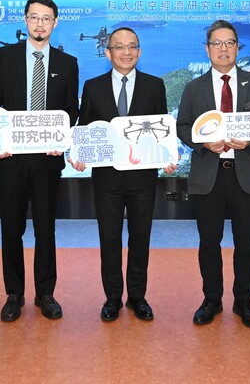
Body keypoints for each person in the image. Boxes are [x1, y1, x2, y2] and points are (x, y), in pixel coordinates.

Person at [176, 19, 250, 329]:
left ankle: (244, 301)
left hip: (244, 174)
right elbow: (183, 126)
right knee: (209, 243)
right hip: (208, 175)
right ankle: (211, 299)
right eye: (217, 43)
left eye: (229, 43)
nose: (223, 49)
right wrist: (202, 142)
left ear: (238, 47)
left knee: (246, 243)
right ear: (207, 49)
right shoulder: (193, 87)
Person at [70, 27, 175, 322]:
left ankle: (138, 298)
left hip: (143, 179)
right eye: (119, 47)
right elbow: (86, 129)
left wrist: (167, 156)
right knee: (110, 240)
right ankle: (113, 298)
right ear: (108, 52)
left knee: (141, 239)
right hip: (107, 180)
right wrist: (79, 155)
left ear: (139, 52)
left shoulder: (155, 86)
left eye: (132, 46)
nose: (126, 52)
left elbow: (162, 128)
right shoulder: (93, 86)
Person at [0, 0, 79, 322]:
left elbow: (71, 110)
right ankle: (14, 293)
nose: (40, 24)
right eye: (34, 17)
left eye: (46, 18)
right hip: (11, 159)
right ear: (25, 20)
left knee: (45, 228)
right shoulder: (4, 57)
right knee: (10, 228)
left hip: (47, 160)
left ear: (55, 23)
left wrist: (62, 138)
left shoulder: (68, 63)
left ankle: (45, 293)